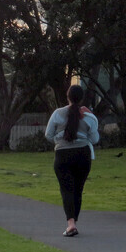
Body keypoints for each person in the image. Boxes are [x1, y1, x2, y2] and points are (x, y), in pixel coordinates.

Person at [45, 85, 99, 236]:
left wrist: (59, 138)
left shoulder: (57, 113)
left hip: (63, 154)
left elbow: (48, 135)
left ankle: (71, 224)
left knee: (66, 189)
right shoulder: (88, 117)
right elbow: (95, 139)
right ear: (81, 98)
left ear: (67, 97)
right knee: (78, 189)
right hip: (83, 154)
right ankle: (74, 221)